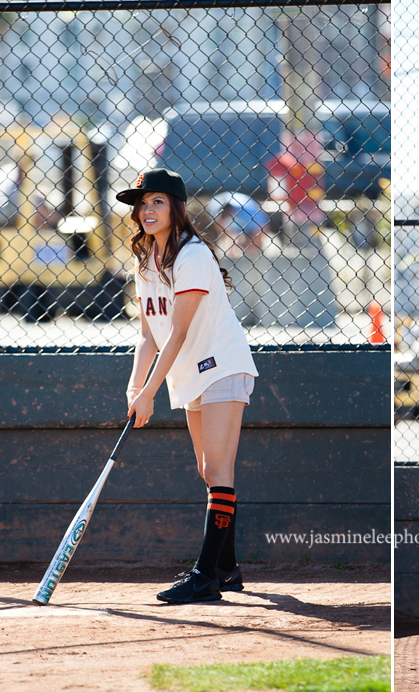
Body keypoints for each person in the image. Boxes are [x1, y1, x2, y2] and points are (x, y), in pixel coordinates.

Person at [118, 169, 259, 604]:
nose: (147, 210)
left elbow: (177, 334)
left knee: (218, 471)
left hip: (222, 366)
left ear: (176, 208)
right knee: (207, 471)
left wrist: (150, 393)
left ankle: (204, 577)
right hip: (191, 373)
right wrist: (133, 387)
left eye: (157, 201)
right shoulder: (146, 261)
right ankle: (226, 569)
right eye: (142, 203)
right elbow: (149, 335)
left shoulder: (192, 255)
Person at [208, 191, 270, 259]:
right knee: (231, 246)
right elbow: (218, 224)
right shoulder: (214, 206)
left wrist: (249, 246)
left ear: (230, 210)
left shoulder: (247, 211)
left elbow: (261, 227)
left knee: (252, 248)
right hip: (237, 224)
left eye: (226, 214)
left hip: (254, 224)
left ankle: (255, 259)